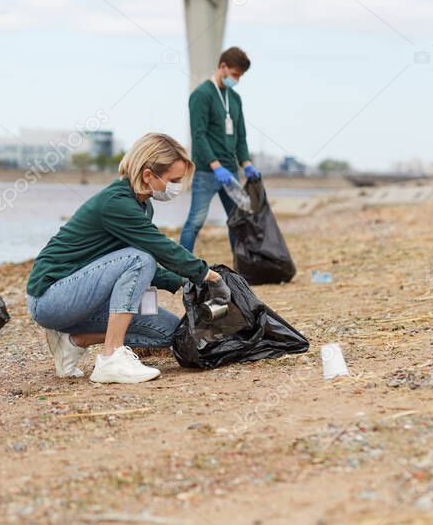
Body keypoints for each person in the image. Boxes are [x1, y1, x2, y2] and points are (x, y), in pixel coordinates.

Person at [26, 133, 230, 384]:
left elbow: (143, 265)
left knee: (170, 332)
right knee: (141, 258)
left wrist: (181, 282)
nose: (177, 187)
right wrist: (205, 274)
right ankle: (111, 359)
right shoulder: (117, 202)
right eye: (173, 180)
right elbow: (158, 249)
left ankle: (73, 342)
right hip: (50, 297)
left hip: (82, 297)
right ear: (148, 176)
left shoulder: (143, 205)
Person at [179, 46, 261, 253]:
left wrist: (247, 163)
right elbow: (198, 136)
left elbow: (241, 135)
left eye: (240, 76)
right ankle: (180, 272)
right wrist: (215, 166)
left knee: (236, 222)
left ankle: (239, 271)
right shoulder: (201, 95)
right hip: (207, 172)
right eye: (235, 74)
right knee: (195, 222)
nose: (237, 79)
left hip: (231, 172)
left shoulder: (235, 98)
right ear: (222, 67)